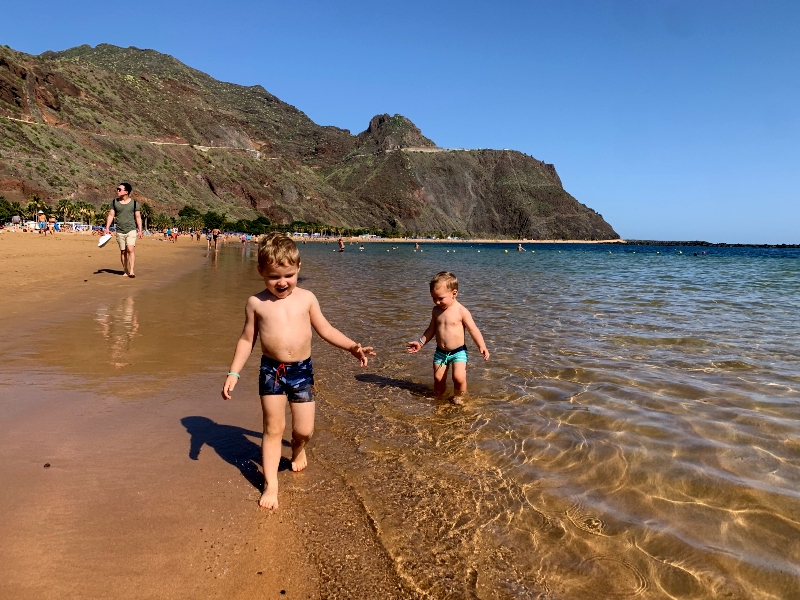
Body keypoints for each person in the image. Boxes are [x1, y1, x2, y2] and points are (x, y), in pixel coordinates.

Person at [221, 233, 375, 509]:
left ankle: (298, 448)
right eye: (273, 277)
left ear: (298, 269)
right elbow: (247, 339)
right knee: (272, 428)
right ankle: (271, 484)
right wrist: (234, 373)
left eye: (288, 275)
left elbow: (325, 329)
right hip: (272, 372)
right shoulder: (256, 303)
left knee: (304, 430)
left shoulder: (307, 299)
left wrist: (352, 346)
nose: (282, 283)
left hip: (302, 371)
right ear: (261, 272)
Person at [406, 271, 489, 404]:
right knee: (438, 379)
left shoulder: (461, 311)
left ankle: (461, 397)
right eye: (434, 298)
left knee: (458, 378)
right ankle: (439, 397)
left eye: (440, 298)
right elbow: (431, 330)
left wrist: (482, 346)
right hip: (440, 352)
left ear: (454, 293)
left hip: (458, 352)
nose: (437, 302)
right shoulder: (436, 311)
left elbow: (473, 329)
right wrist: (420, 343)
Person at [104, 182, 143, 278]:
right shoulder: (114, 202)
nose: (117, 191)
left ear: (126, 192)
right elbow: (111, 215)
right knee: (123, 251)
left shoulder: (134, 203)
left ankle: (132, 270)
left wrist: (140, 230)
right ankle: (125, 270)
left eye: (119, 189)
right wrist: (107, 228)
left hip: (131, 229)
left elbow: (138, 217)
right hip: (119, 230)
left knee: (130, 249)